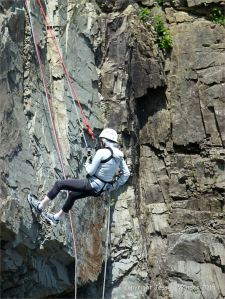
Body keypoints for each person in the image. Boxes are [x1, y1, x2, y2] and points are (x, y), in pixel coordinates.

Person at [28, 128, 130, 225]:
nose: (100, 142)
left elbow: (90, 171)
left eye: (101, 140)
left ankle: (40, 206)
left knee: (59, 184)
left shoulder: (102, 152)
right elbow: (126, 174)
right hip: (99, 190)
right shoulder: (119, 156)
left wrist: (87, 163)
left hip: (91, 184)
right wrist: (115, 185)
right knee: (73, 195)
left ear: (104, 140)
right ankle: (56, 218)